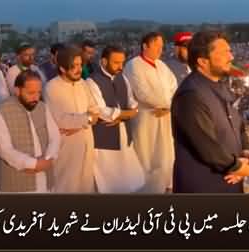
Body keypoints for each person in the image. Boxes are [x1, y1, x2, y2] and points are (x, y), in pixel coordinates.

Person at [171, 31, 249, 193]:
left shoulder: (220, 87)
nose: (231, 57)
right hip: (204, 186)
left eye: (230, 51)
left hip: (230, 182)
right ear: (203, 61)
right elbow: (207, 148)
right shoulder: (190, 96)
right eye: (225, 52)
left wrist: (246, 153)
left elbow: (238, 126)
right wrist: (245, 169)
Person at [123, 32, 178, 193]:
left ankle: (167, 184)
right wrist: (168, 105)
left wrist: (169, 106)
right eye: (157, 46)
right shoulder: (133, 65)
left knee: (165, 153)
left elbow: (174, 87)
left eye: (162, 46)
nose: (161, 50)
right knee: (146, 154)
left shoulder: (162, 66)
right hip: (146, 117)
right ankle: (146, 189)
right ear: (145, 46)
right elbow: (143, 93)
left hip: (165, 116)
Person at [86, 45, 145, 193]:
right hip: (105, 137)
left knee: (129, 178)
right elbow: (101, 111)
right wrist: (127, 114)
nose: (120, 66)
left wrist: (129, 113)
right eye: (116, 63)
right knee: (109, 181)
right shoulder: (91, 81)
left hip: (124, 133)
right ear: (104, 62)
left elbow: (132, 102)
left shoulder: (122, 77)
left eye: (122, 62)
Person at [44, 46, 99, 193]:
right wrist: (87, 119)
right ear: (62, 68)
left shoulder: (83, 84)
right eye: (74, 66)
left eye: (80, 65)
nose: (79, 69)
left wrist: (81, 122)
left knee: (86, 185)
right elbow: (61, 120)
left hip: (87, 142)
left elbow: (96, 111)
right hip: (66, 147)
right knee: (66, 186)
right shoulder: (52, 88)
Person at [0, 70, 60, 192]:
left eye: (39, 93)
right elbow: (4, 149)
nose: (36, 97)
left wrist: (49, 157)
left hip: (45, 178)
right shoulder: (2, 111)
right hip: (17, 183)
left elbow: (55, 136)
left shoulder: (42, 107)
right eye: (31, 93)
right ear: (17, 90)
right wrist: (33, 164)